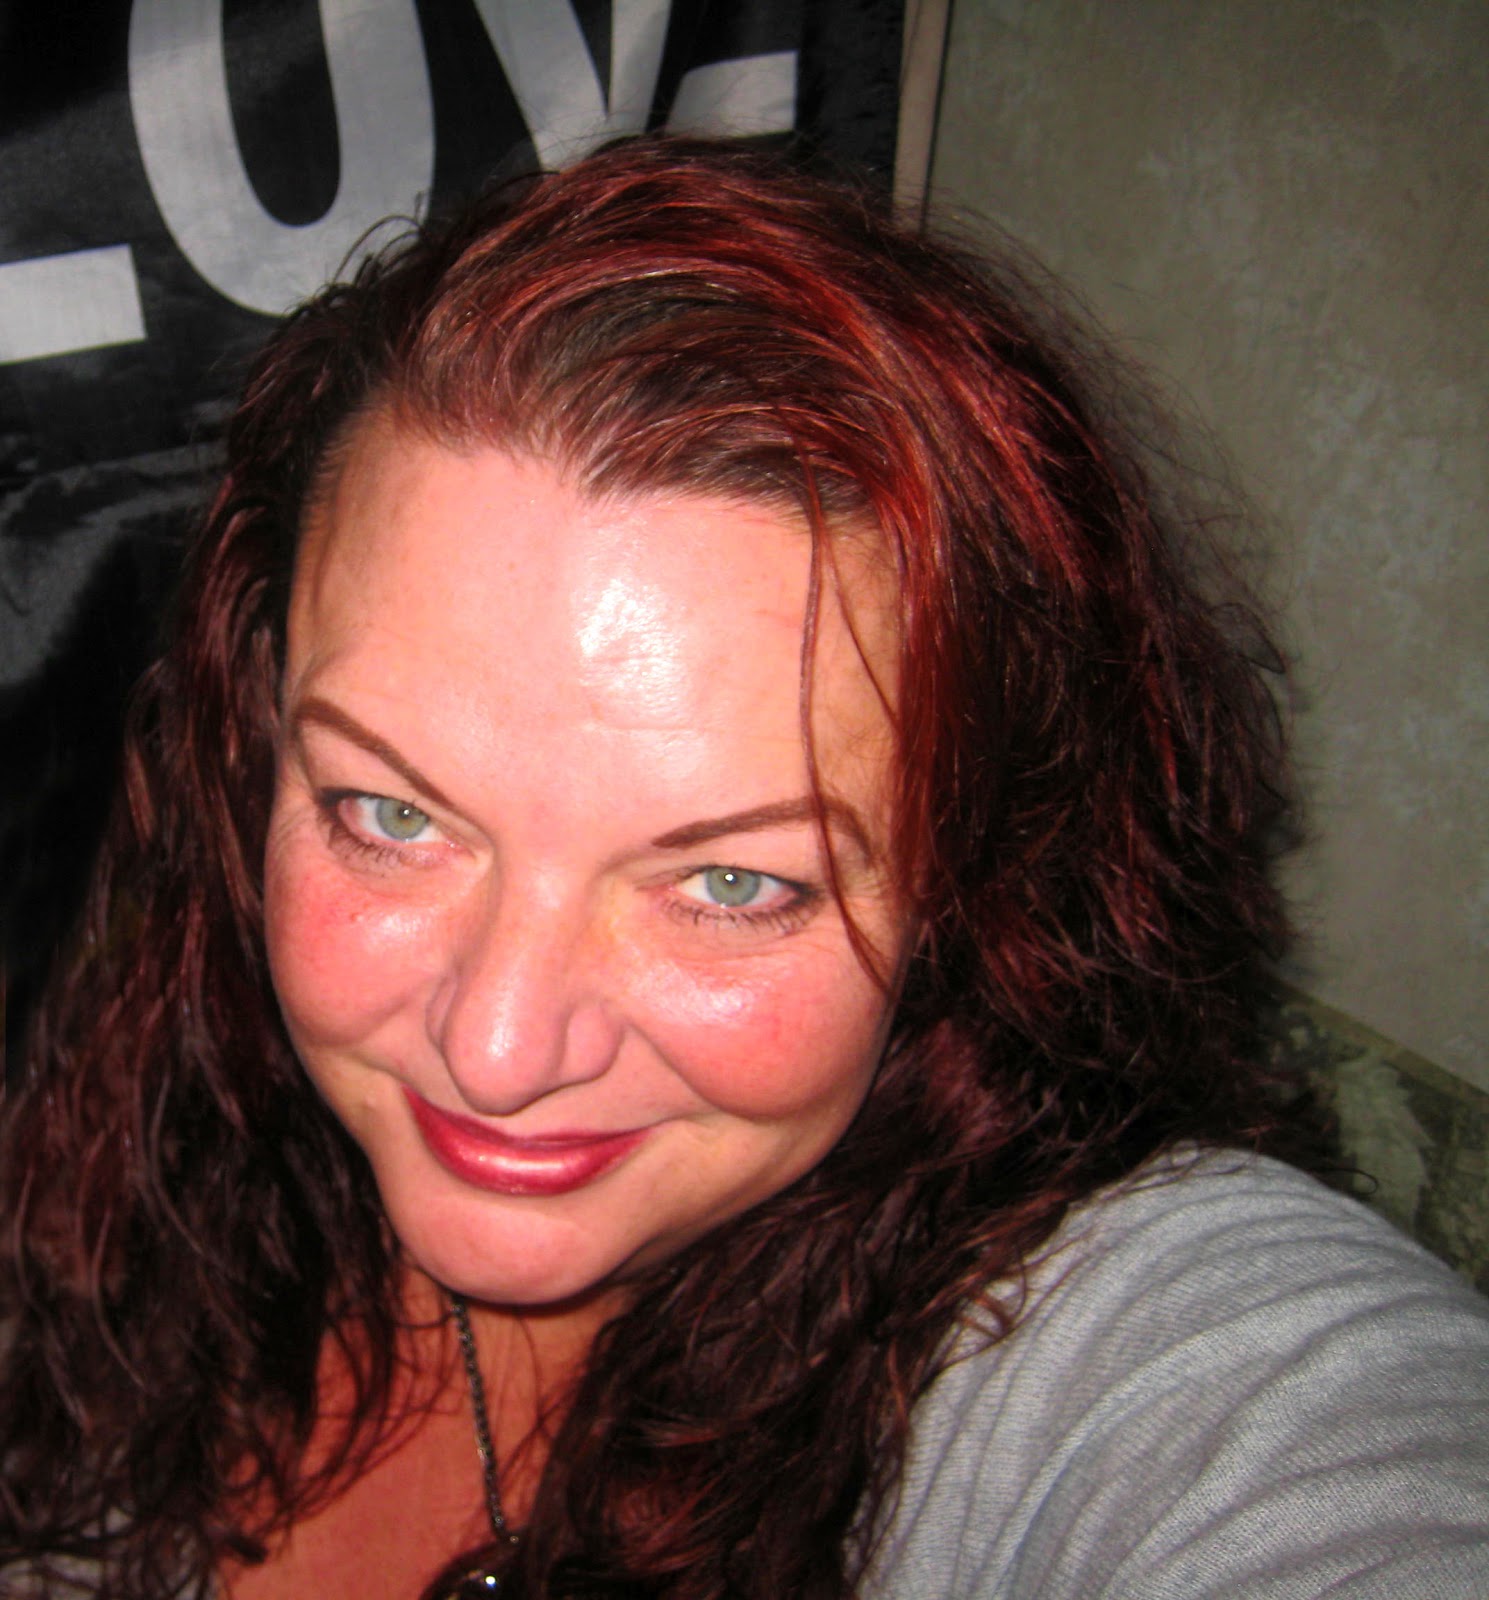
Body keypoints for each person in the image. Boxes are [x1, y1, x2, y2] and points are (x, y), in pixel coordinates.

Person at [2, 137, 1486, 1600]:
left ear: (979, 872)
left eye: (731, 885)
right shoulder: (148, 1122)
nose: (497, 1052)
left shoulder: (1139, 1357)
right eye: (393, 815)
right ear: (256, 736)